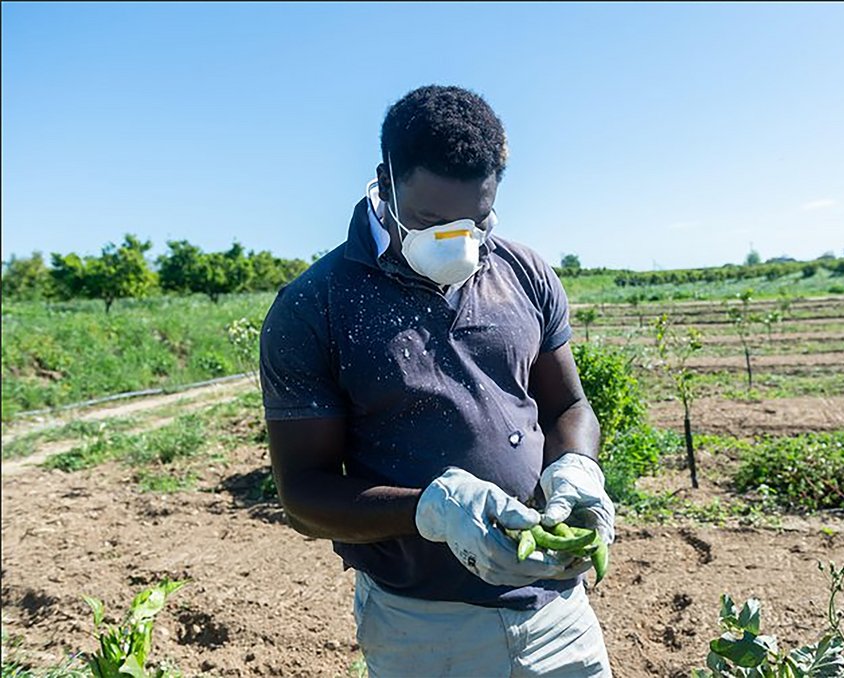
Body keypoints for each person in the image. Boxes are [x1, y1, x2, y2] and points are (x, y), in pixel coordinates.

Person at [259, 84, 615, 677]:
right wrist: (432, 509)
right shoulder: (315, 305)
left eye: (476, 220)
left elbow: (567, 406)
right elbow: (303, 496)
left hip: (558, 612)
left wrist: (576, 468)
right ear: (385, 181)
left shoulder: (525, 272)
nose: (458, 243)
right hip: (422, 629)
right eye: (429, 220)